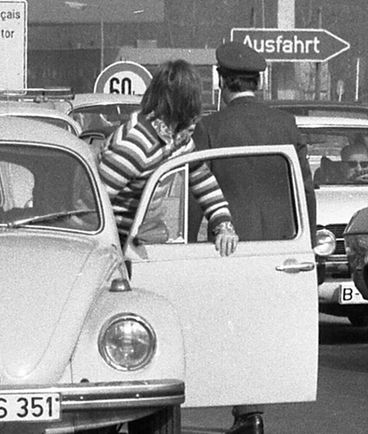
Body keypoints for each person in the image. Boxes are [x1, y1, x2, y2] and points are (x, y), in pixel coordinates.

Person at [192, 40, 315, 434]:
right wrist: (306, 241)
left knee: (236, 329)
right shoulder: (286, 125)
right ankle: (251, 411)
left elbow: (198, 189)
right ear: (258, 82)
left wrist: (188, 243)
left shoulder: (210, 127)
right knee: (264, 329)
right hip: (282, 242)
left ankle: (248, 414)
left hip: (229, 245)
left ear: (221, 81)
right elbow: (305, 190)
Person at [97, 59, 238, 256]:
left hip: (146, 240)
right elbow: (90, 207)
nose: (196, 117)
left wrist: (223, 225)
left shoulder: (178, 139)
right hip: (119, 248)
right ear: (179, 107)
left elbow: (202, 179)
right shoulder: (134, 146)